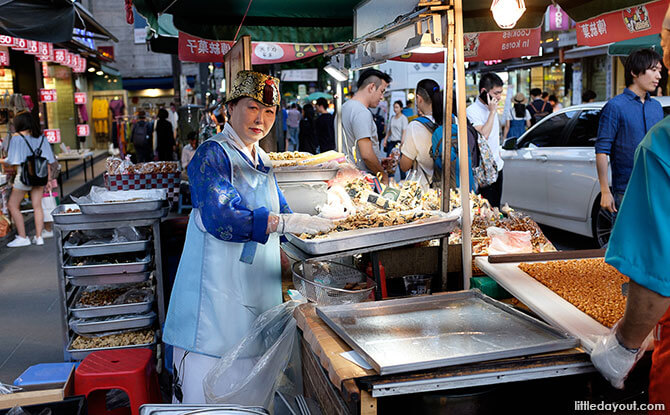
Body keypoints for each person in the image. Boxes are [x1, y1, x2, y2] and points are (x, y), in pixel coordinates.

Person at [162, 71, 332, 404]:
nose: (261, 119)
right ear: (230, 107)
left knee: (251, 399)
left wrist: (313, 242)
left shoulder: (262, 159)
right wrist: (280, 222)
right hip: (213, 307)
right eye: (253, 107)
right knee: (206, 399)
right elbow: (220, 217)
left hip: (253, 299)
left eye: (269, 112)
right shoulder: (211, 155)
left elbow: (282, 213)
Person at [595, 48, 663, 216]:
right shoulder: (615, 107)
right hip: (625, 191)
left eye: (660, 71)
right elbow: (602, 150)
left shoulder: (656, 107)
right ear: (634, 72)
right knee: (625, 241)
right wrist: (605, 190)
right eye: (653, 70)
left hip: (656, 188)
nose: (658, 77)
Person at [2, 111, 55, 247]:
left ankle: (22, 236)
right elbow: (49, 159)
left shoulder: (16, 138)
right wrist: (48, 180)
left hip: (24, 176)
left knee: (13, 205)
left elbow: (12, 161)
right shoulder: (41, 138)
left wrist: (1, 160)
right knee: (37, 206)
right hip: (40, 175)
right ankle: (39, 237)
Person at [340, 68, 392, 184]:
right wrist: (383, 175)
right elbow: (366, 155)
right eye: (382, 91)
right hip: (361, 181)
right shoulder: (361, 112)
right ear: (372, 87)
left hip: (346, 177)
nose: (382, 97)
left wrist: (377, 162)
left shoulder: (344, 107)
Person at [466, 72, 505, 207]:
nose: (499, 97)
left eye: (500, 93)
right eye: (496, 93)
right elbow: (484, 135)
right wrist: (493, 112)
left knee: (497, 208)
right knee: (486, 212)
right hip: (483, 171)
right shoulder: (472, 111)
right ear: (484, 92)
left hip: (497, 166)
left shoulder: (491, 108)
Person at [399, 80, 442, 185]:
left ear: (419, 98)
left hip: (427, 191)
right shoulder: (453, 120)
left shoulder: (415, 126)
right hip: (452, 187)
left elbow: (405, 166)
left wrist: (401, 151)